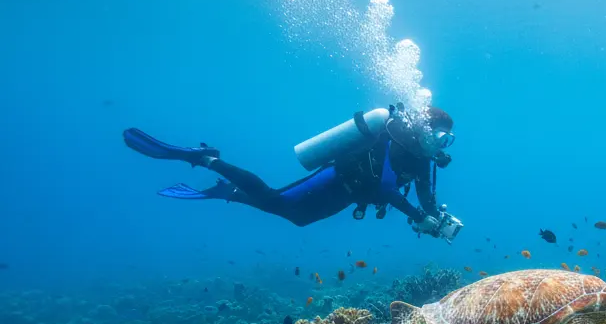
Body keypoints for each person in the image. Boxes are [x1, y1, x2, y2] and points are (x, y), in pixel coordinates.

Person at [122, 105, 462, 238]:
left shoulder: (422, 159)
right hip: (337, 179)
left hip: (352, 195)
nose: (441, 146)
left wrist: (436, 218)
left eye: (447, 142)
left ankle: (230, 192)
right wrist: (417, 216)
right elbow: (387, 187)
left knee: (298, 219)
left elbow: (425, 197)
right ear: (422, 128)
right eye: (440, 137)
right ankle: (205, 159)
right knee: (275, 199)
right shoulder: (396, 135)